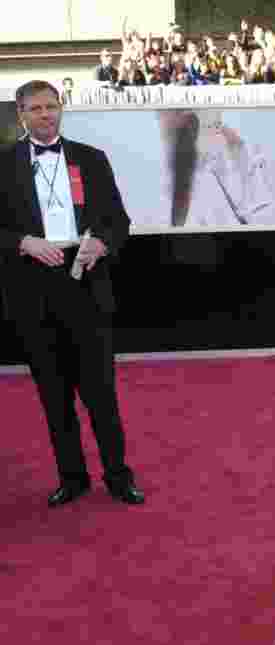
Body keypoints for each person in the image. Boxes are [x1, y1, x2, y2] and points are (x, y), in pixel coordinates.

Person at [0, 81, 144, 506]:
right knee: (54, 393)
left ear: (61, 108)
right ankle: (72, 477)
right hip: (32, 288)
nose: (45, 115)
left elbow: (119, 220)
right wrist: (23, 242)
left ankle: (118, 476)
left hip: (86, 282)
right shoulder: (3, 164)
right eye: (35, 109)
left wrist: (103, 241)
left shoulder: (91, 159)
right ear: (20, 114)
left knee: (101, 392)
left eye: (51, 106)